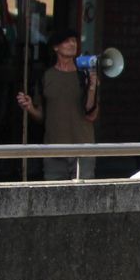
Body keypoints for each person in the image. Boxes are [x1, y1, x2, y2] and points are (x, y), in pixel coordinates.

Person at [17, 30, 99, 180]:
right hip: (53, 150)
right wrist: (30, 108)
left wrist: (92, 87)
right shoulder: (46, 76)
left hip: (82, 149)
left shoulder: (84, 75)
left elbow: (91, 113)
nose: (72, 44)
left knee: (84, 198)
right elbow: (42, 116)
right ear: (56, 47)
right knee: (54, 196)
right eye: (67, 41)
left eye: (74, 41)